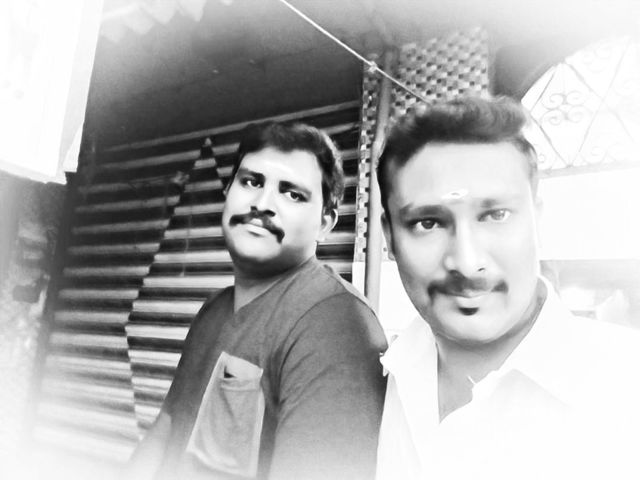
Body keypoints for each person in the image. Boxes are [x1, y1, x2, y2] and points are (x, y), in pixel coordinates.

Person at [375, 96, 640, 480]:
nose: (467, 263)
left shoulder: (627, 388)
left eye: (496, 215)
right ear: (389, 237)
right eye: (427, 223)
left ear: (537, 219)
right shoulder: (388, 373)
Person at [126, 122, 387, 480]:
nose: (262, 204)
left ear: (325, 224)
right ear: (228, 192)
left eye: (292, 194)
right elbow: (168, 424)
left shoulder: (336, 326)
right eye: (251, 182)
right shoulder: (213, 310)